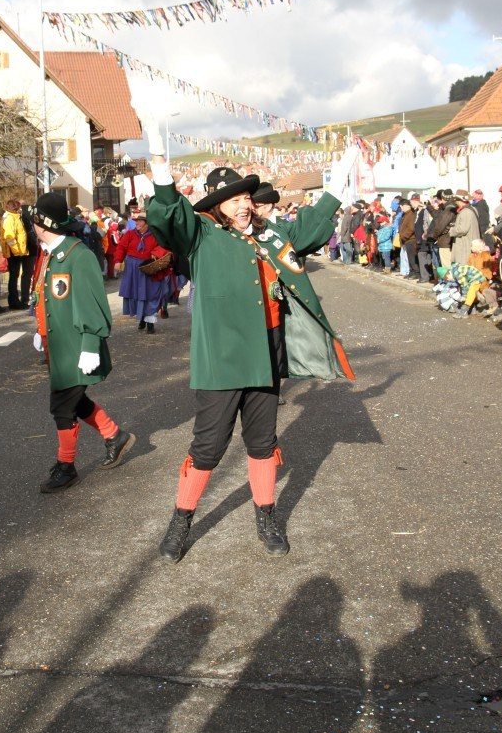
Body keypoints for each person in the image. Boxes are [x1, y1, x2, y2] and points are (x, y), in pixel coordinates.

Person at [143, 121, 354, 563]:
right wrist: (160, 160)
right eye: (233, 201)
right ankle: (181, 520)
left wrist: (338, 183)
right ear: (216, 208)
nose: (242, 206)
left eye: (245, 198)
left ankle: (265, 515)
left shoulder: (269, 235)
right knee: (209, 447)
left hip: (265, 356)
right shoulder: (200, 237)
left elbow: (312, 230)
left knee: (262, 443)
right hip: (221, 362)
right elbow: (168, 215)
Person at [28, 192, 135, 492]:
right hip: (61, 348)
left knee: (62, 406)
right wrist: (42, 329)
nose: (31, 226)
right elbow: (49, 299)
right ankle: (114, 435)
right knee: (74, 400)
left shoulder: (79, 256)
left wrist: (90, 345)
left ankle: (66, 466)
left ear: (43, 223)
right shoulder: (53, 254)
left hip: (78, 347)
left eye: (34, 221)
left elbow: (92, 305)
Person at [113, 212, 169, 333]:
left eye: (140, 220)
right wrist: (118, 261)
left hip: (149, 267)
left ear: (147, 223)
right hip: (133, 268)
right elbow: (121, 247)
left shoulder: (155, 235)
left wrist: (156, 253)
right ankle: (142, 317)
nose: (136, 222)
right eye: (136, 220)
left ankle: (150, 321)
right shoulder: (130, 234)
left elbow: (164, 246)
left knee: (151, 293)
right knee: (137, 294)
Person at [0, 199, 29, 309]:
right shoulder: (10, 218)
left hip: (16, 252)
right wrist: (17, 251)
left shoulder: (13, 217)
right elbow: (10, 237)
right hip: (14, 253)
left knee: (14, 276)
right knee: (13, 277)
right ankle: (14, 301)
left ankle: (15, 300)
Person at [449, 193, 480, 265]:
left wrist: (451, 230)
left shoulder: (465, 211)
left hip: (465, 245)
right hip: (469, 243)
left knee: (463, 269)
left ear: (460, 200)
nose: (456, 202)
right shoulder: (472, 209)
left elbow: (463, 229)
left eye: (456, 200)